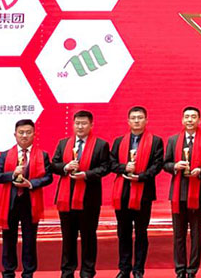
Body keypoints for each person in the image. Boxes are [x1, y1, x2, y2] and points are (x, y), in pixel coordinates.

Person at [51, 110, 111, 278]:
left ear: (91, 125)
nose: (80, 126)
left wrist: (86, 174)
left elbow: (105, 167)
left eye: (84, 123)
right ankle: (67, 271)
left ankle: (87, 272)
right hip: (66, 198)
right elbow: (54, 164)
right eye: (77, 123)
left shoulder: (101, 145)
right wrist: (65, 167)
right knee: (68, 238)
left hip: (89, 199)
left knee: (88, 237)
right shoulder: (63, 143)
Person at [0, 119, 53, 278]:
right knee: (8, 239)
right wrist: (12, 174)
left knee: (30, 239)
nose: (24, 136)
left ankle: (28, 273)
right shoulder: (5, 155)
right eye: (21, 132)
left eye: (28, 132)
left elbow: (48, 177)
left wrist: (30, 184)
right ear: (15, 134)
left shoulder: (42, 155)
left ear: (34, 134)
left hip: (30, 202)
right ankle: (8, 272)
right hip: (10, 203)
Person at [110, 106, 165, 278]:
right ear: (128, 121)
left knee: (141, 232)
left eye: (140, 118)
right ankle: (124, 269)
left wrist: (141, 177)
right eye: (133, 118)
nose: (136, 121)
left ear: (146, 120)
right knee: (123, 232)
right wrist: (124, 168)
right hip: (123, 192)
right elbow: (111, 163)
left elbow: (157, 165)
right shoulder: (119, 141)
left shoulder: (155, 141)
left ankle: (139, 269)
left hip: (144, 193)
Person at [164, 107, 201, 278]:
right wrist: (175, 166)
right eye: (187, 117)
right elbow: (165, 164)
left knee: (196, 234)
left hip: (198, 194)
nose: (190, 120)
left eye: (193, 117)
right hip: (178, 195)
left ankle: (192, 270)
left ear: (199, 120)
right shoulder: (173, 140)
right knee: (178, 235)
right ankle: (180, 269)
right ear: (182, 120)